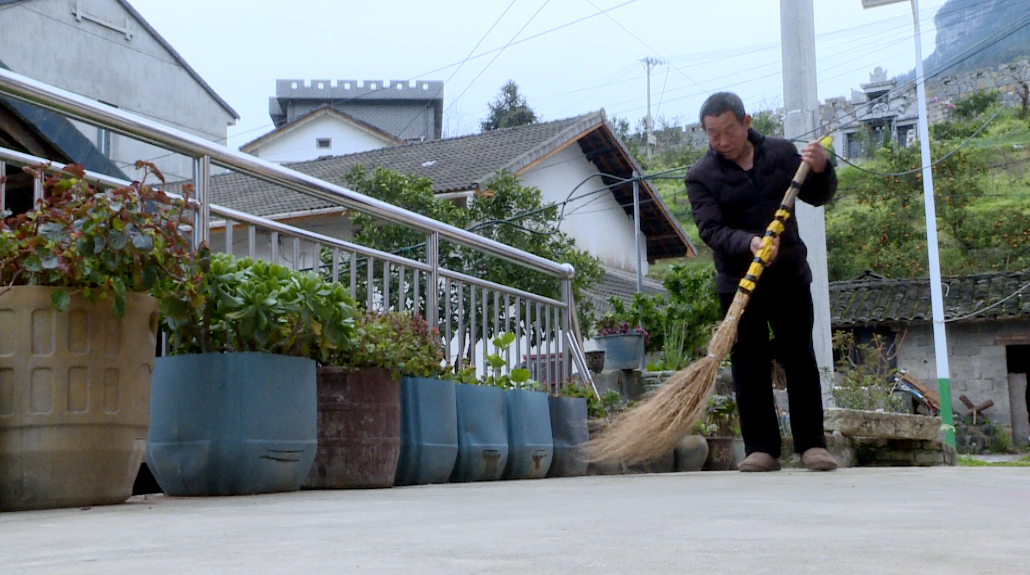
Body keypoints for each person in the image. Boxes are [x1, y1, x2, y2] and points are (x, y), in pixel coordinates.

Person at [685, 92, 838, 472]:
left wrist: (821, 167)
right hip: (739, 284)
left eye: (729, 131)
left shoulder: (782, 153)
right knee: (748, 363)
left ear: (746, 122)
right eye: (713, 134)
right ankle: (761, 449)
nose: (722, 141)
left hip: (790, 277)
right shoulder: (700, 176)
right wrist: (750, 243)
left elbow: (819, 195)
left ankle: (811, 445)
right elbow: (711, 229)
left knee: (799, 357)